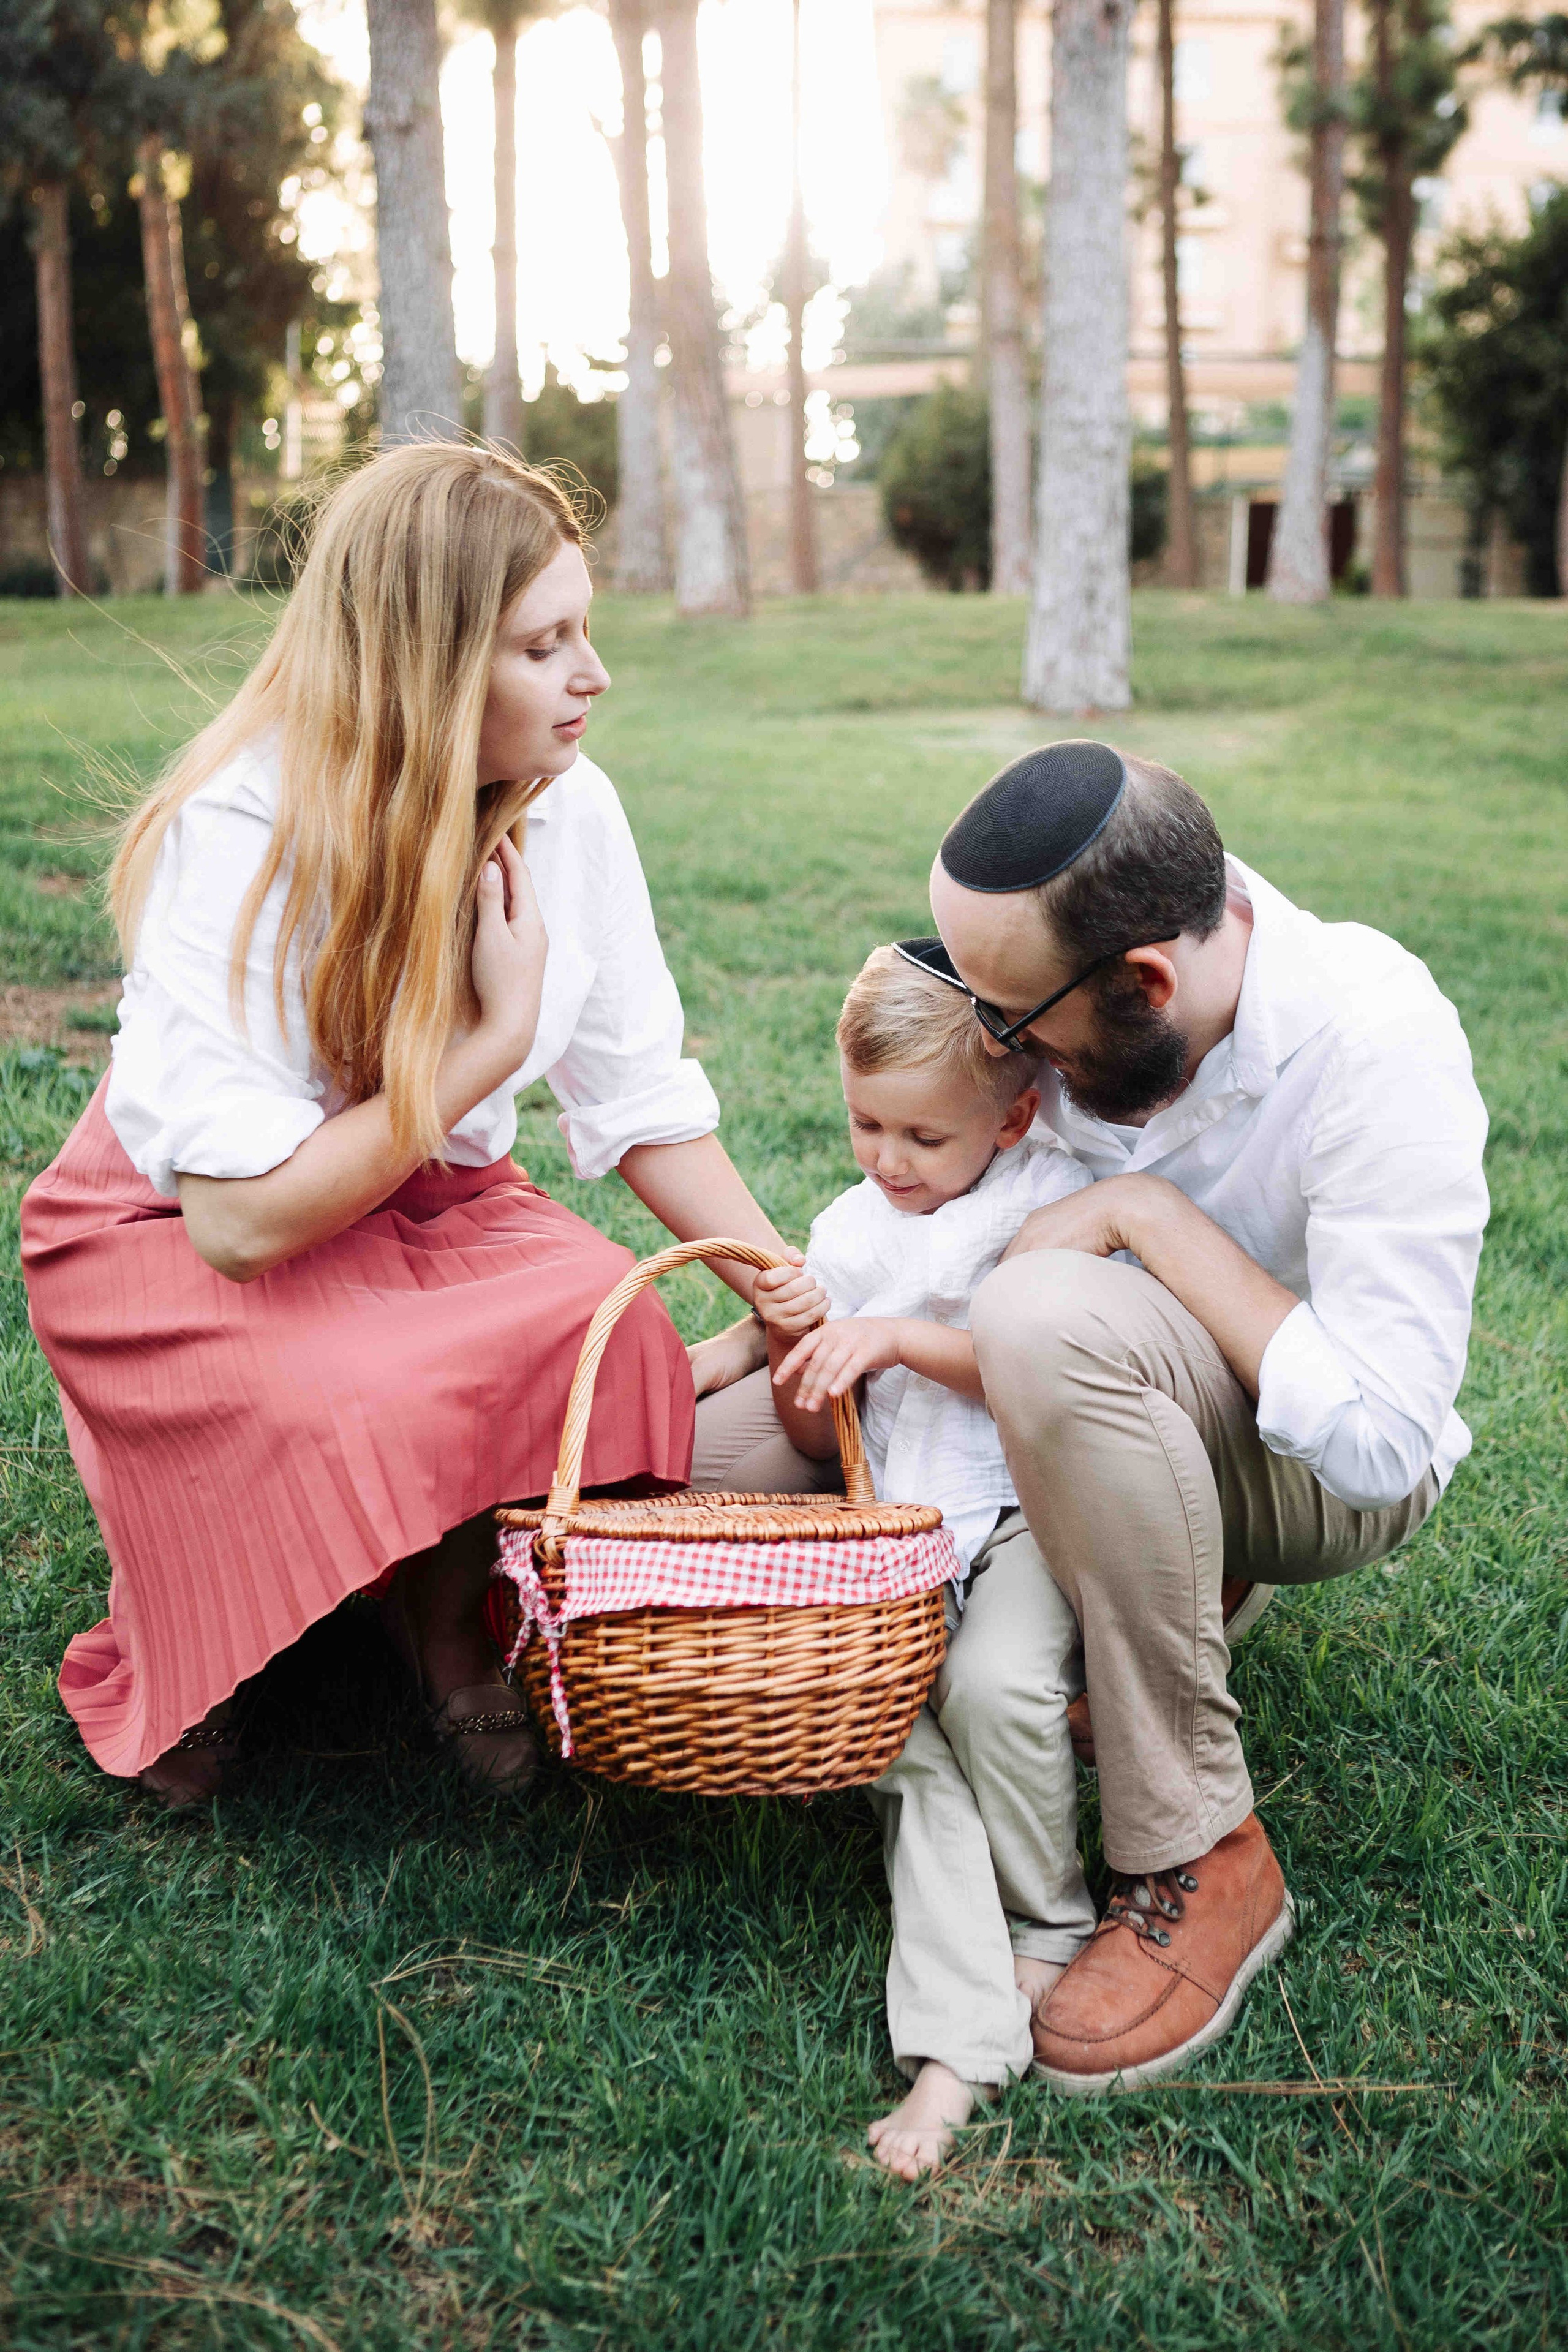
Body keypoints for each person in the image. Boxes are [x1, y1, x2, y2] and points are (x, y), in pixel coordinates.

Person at [695, 737, 1488, 2102]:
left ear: (1143, 986)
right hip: (1010, 1417)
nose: (1000, 1051)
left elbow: (1379, 1442)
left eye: (1013, 1022)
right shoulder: (1071, 988)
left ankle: (1196, 1844)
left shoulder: (1372, 1037)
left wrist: (1148, 1217)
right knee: (707, 1458)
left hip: (1293, 1460)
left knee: (1037, 1316)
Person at [21, 443, 795, 1811]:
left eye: (585, 631)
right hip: (183, 1234)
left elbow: (641, 1100)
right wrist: (490, 1041)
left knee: (583, 1310)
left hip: (428, 1211)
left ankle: (439, 1622)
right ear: (427, 666)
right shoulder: (249, 821)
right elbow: (241, 1222)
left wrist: (792, 1293)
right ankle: (206, 1626)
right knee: (337, 1395)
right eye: (543, 643)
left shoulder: (575, 812)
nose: (592, 674)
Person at [706, 944, 1099, 2180]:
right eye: (862, 1123)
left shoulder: (1045, 1205)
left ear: (1013, 1113)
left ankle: (1051, 1912)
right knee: (900, 1750)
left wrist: (894, 1340)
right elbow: (787, 1322)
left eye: (920, 1137)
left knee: (994, 1690)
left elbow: (1035, 1369)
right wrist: (716, 1357)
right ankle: (957, 2044)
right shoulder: (857, 1220)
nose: (885, 1159)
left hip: (1031, 1512)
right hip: (899, 1534)